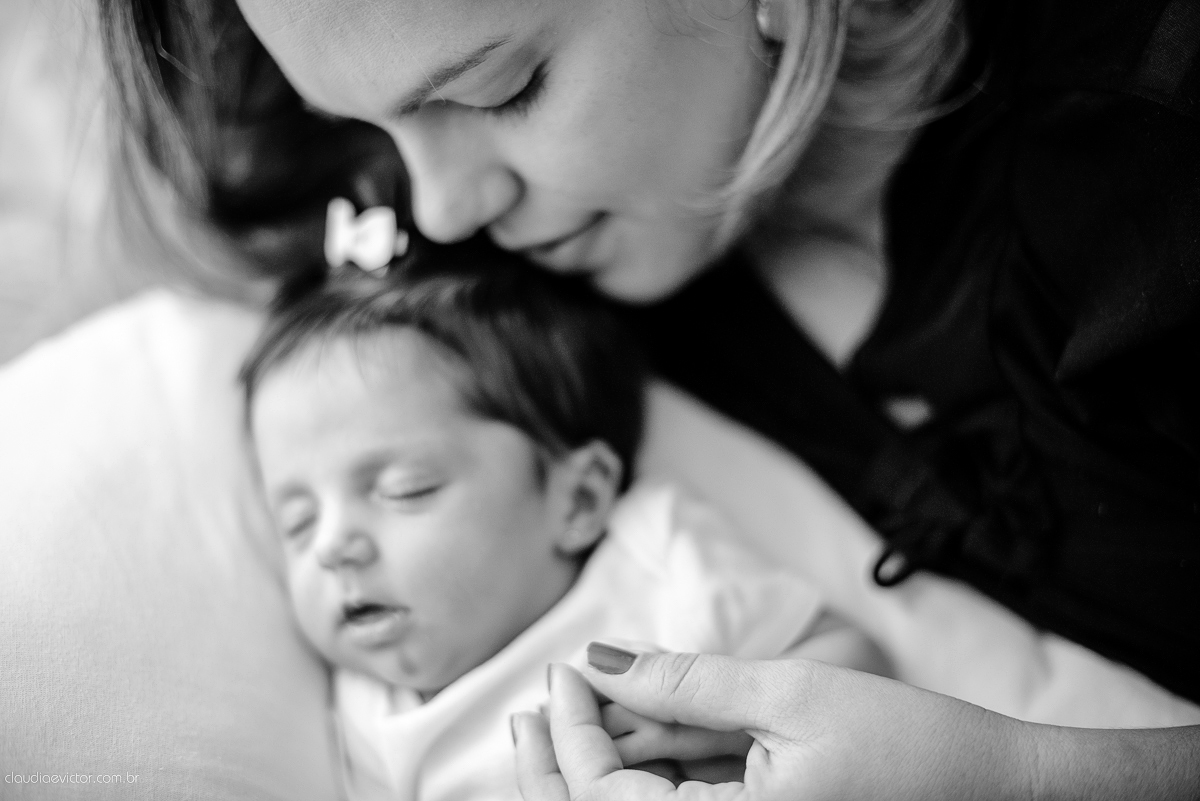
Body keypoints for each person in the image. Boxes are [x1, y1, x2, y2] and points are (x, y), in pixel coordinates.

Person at [97, 0, 1200, 796]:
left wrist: (1033, 778)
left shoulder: (1148, 161)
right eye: (371, 124)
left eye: (501, 90)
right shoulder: (555, 282)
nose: (440, 209)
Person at [241, 234, 885, 800]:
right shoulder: (368, 713)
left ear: (576, 500)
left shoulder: (656, 559)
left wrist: (728, 732)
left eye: (405, 490)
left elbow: (854, 669)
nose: (330, 545)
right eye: (296, 522)